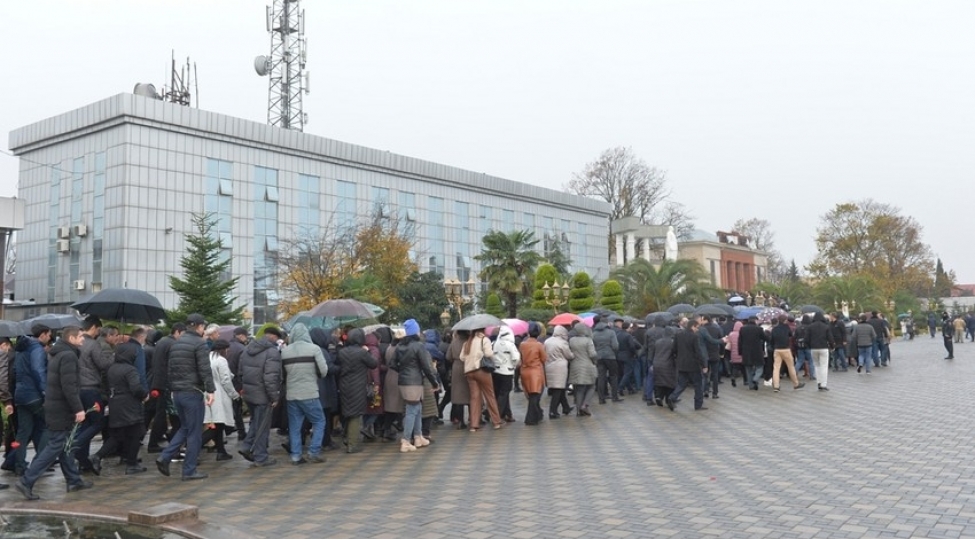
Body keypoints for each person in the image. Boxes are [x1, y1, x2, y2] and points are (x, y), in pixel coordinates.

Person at [14, 326, 93, 500]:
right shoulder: (69, 356)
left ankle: (73, 480)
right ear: (71, 338)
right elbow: (69, 386)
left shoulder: (58, 354)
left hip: (55, 405)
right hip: (61, 408)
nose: (83, 339)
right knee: (56, 445)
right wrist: (78, 408)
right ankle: (26, 481)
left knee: (64, 445)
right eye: (80, 336)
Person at [156, 314, 216, 481]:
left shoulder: (176, 344)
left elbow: (170, 369)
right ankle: (189, 470)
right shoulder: (199, 344)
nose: (204, 329)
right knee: (195, 433)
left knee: (185, 427)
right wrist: (210, 390)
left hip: (178, 393)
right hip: (192, 392)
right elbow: (205, 369)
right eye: (203, 326)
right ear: (198, 326)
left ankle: (165, 456)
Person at [89, 341, 148, 475]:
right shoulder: (130, 369)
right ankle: (131, 464)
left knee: (118, 435)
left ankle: (97, 456)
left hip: (115, 403)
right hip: (130, 405)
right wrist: (144, 395)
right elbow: (136, 388)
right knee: (137, 433)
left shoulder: (111, 368)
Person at [280, 324, 328, 464]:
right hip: (310, 393)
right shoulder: (314, 349)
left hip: (292, 394)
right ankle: (313, 452)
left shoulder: (285, 351)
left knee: (295, 426)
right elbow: (323, 371)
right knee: (319, 421)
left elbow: (282, 375)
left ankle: (296, 455)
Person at [10, 324, 53, 476]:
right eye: (49, 335)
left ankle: (19, 466)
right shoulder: (36, 349)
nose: (50, 338)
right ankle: (38, 464)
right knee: (50, 424)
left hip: (20, 395)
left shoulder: (21, 350)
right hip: (34, 395)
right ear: (43, 334)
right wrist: (44, 391)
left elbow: (15, 371)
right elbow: (38, 370)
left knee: (23, 432)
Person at [237, 327, 283, 467]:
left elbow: (240, 372)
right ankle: (261, 457)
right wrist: (274, 397)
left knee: (256, 422)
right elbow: (271, 378)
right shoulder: (272, 352)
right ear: (273, 337)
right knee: (263, 426)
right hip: (263, 395)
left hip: (250, 393)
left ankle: (247, 446)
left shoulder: (247, 349)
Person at [393, 319, 439, 452]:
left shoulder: (400, 346)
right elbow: (426, 367)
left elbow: (392, 364)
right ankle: (406, 440)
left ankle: (418, 437)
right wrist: (434, 382)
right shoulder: (419, 346)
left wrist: (403, 371)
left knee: (417, 409)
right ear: (415, 332)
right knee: (412, 411)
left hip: (404, 382)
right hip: (414, 382)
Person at [72, 316, 109, 473]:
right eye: (99, 330)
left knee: (84, 424)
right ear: (94, 327)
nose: (98, 333)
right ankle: (73, 447)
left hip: (76, 390)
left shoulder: (73, 344)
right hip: (91, 390)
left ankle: (83, 462)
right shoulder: (93, 344)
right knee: (99, 422)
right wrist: (113, 357)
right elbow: (103, 364)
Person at [336, 328, 379, 453]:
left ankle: (347, 437)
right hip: (358, 386)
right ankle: (352, 444)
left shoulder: (342, 352)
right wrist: (368, 352)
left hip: (344, 385)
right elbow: (373, 364)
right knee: (355, 414)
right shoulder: (362, 352)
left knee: (347, 412)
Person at [147, 324, 184, 453]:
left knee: (162, 414)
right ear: (178, 332)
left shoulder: (162, 342)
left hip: (158, 382)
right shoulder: (172, 344)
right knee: (167, 415)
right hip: (167, 384)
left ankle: (167, 439)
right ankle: (162, 443)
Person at [201, 339, 238, 462]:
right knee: (217, 425)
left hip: (207, 393)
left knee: (218, 424)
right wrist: (234, 395)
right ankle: (192, 447)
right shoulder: (221, 360)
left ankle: (221, 451)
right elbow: (226, 380)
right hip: (219, 395)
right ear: (224, 349)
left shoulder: (207, 357)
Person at [460, 327, 503, 431]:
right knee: (489, 395)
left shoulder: (467, 342)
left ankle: (474, 425)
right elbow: (488, 354)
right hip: (481, 370)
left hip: (469, 372)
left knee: (475, 398)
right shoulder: (484, 339)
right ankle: (496, 422)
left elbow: (462, 357)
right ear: (483, 329)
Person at [667, 319, 708, 411]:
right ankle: (698, 404)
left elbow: (674, 349)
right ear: (692, 326)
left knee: (682, 384)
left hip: (681, 364)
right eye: (697, 327)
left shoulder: (678, 335)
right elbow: (698, 352)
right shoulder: (694, 337)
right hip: (693, 365)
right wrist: (704, 365)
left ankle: (672, 397)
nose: (697, 330)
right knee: (698, 385)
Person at [517, 322, 546, 425]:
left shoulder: (522, 344)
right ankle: (531, 418)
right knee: (535, 395)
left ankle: (538, 414)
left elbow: (520, 356)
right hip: (535, 371)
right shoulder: (539, 345)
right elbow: (544, 358)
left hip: (524, 370)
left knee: (530, 394)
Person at [567, 322, 598, 417]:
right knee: (591, 386)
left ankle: (578, 410)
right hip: (587, 365)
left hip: (575, 366)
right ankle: (585, 405)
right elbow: (592, 354)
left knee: (579, 389)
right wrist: (595, 361)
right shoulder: (588, 340)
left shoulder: (571, 340)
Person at [543, 325, 573, 419]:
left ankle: (566, 408)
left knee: (559, 388)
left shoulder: (547, 341)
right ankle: (552, 411)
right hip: (560, 367)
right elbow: (569, 355)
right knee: (558, 389)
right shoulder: (562, 342)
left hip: (548, 366)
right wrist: (573, 354)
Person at [491, 326, 520, 424]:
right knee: (504, 394)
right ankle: (497, 416)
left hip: (496, 372)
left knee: (501, 393)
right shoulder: (510, 345)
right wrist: (513, 366)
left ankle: (508, 414)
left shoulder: (494, 343)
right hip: (507, 372)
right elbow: (516, 358)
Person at [592, 316, 621, 403]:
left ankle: (601, 398)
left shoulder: (594, 333)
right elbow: (615, 346)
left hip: (599, 357)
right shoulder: (611, 332)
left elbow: (592, 346)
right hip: (610, 357)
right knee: (613, 376)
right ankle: (614, 397)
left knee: (601, 377)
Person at [648, 323, 677, 406]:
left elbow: (653, 353)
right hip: (668, 364)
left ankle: (658, 397)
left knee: (659, 382)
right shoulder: (672, 342)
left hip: (656, 364)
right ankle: (668, 399)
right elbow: (674, 353)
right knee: (670, 383)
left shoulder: (657, 342)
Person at [737, 317, 767, 391]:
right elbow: (765, 338)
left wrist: (740, 352)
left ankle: (751, 385)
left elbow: (740, 341)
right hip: (757, 351)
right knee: (760, 367)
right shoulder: (759, 329)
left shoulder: (742, 329)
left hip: (746, 352)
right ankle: (756, 378)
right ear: (755, 321)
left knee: (748, 369)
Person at [806, 312, 834, 391]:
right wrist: (832, 347)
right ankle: (823, 384)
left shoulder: (810, 327)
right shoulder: (826, 327)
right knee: (824, 366)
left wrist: (809, 346)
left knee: (817, 366)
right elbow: (830, 338)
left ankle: (818, 382)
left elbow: (806, 339)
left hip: (813, 348)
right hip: (823, 348)